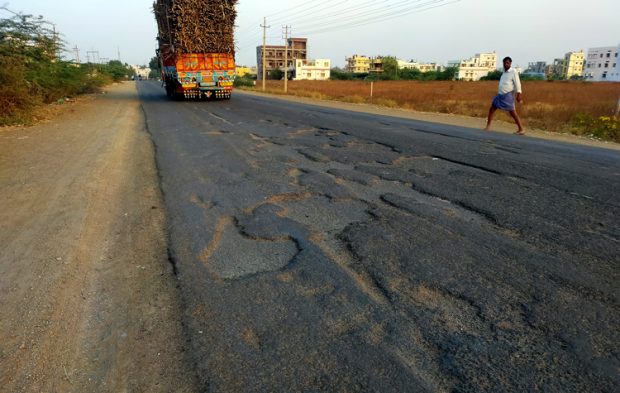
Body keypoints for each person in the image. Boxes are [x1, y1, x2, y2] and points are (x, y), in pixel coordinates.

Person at [484, 56, 524, 135]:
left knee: (512, 112)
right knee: (492, 108)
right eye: (504, 63)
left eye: (507, 63)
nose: (506, 64)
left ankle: (521, 129)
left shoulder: (513, 71)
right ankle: (488, 126)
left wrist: (518, 94)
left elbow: (518, 83)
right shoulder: (503, 72)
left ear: (510, 63)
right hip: (500, 95)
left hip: (507, 95)